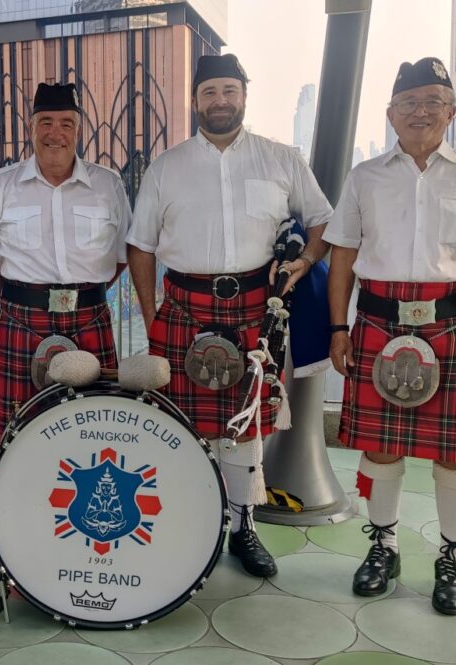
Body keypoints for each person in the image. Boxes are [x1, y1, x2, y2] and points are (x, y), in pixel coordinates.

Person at [325, 57, 456, 615]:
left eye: (433, 102)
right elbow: (342, 256)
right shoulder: (364, 176)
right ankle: (383, 545)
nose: (421, 112)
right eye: (410, 103)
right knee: (381, 444)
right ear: (390, 114)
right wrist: (338, 329)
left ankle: (453, 555)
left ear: (452, 111)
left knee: (455, 453)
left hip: (453, 325)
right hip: (375, 321)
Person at [127, 54, 332, 578]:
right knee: (181, 425)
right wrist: (153, 315)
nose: (220, 100)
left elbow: (325, 222)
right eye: (209, 92)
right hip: (183, 307)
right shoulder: (166, 166)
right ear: (194, 100)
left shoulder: (282, 159)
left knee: (245, 427)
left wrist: (306, 261)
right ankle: (191, 522)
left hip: (252, 308)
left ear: (244, 94)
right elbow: (141, 246)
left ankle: (244, 528)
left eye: (229, 90)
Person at [0, 82, 132, 430]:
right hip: (23, 322)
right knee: (19, 429)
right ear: (31, 128)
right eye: (46, 122)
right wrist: (24, 299)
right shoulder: (1, 185)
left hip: (90, 319)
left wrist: (80, 296)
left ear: (78, 130)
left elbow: (121, 257)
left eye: (66, 123)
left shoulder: (108, 184)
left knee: (95, 424)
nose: (55, 133)